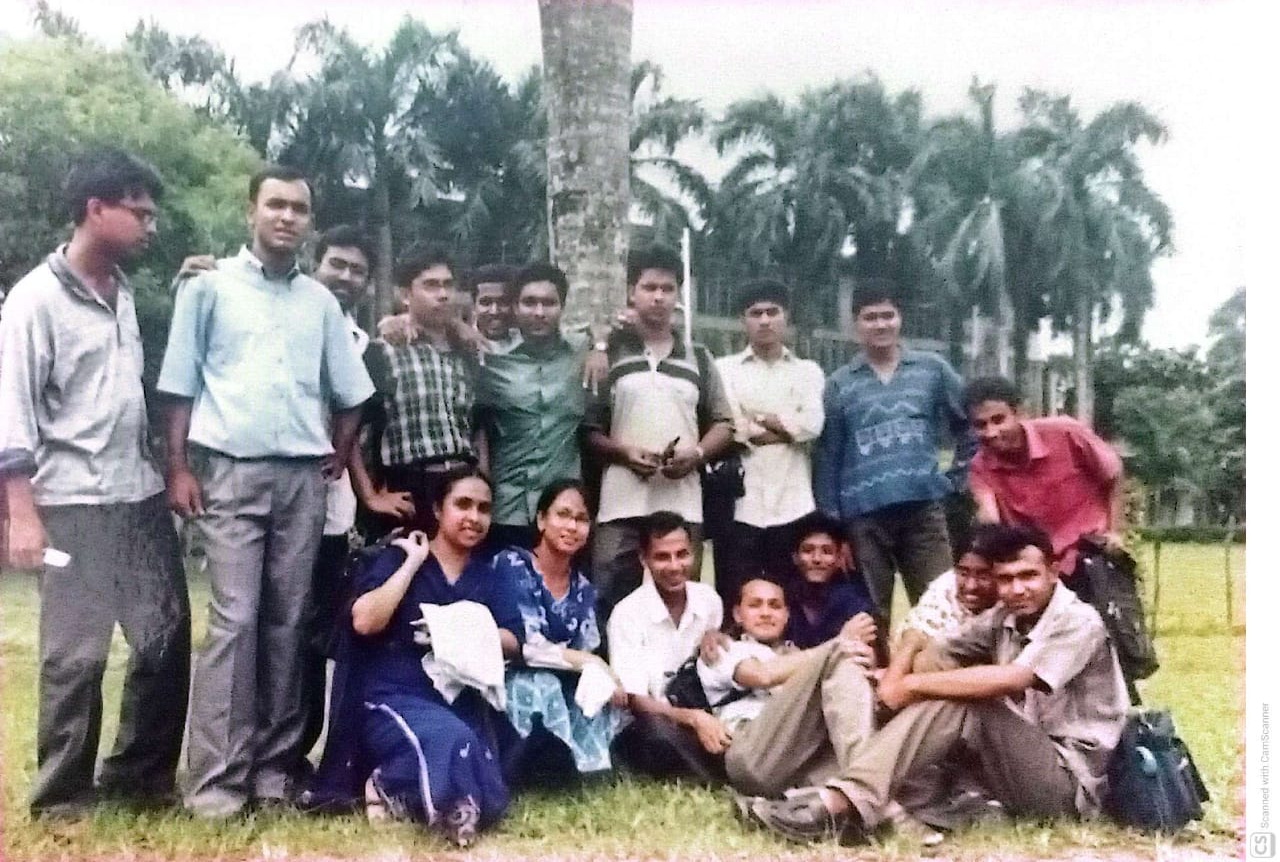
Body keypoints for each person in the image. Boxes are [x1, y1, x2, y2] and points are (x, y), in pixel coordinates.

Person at [158, 164, 375, 817]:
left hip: (302, 479)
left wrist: (335, 453)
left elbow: (352, 393)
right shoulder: (208, 287)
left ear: (308, 222)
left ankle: (273, 774)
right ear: (250, 211)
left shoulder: (320, 303)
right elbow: (178, 385)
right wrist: (178, 466)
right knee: (235, 620)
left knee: (288, 623)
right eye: (275, 205)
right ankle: (216, 784)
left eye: (298, 209)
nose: (286, 217)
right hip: (230, 471)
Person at [0, 149, 191, 819]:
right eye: (139, 213)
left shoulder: (123, 292)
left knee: (165, 637)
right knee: (75, 656)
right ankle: (61, 797)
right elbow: (12, 412)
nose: (150, 226)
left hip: (136, 493)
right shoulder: (34, 300)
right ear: (95, 208)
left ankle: (140, 779)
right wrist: (22, 515)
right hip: (71, 501)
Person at [746, 524, 1130, 845]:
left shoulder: (1078, 621)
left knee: (968, 701)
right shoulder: (1006, 615)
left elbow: (1012, 678)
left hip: (1066, 784)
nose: (1016, 589)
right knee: (939, 678)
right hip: (1007, 767)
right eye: (1006, 579)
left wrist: (911, 686)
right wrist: (892, 678)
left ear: (1053, 571)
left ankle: (839, 803)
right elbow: (937, 649)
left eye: (1028, 576)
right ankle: (867, 803)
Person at [309, 467, 522, 847]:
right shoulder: (400, 556)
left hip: (457, 700)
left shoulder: (488, 574)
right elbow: (365, 621)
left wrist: (457, 625)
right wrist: (412, 563)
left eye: (484, 508)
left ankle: (391, 788)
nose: (474, 517)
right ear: (438, 509)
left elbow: (512, 640)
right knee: (451, 742)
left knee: (490, 790)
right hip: (391, 697)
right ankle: (403, 794)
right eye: (463, 504)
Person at [296, 226, 415, 775]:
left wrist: (366, 492)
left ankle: (303, 748)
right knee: (275, 627)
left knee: (319, 630)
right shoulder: (289, 316)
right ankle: (265, 751)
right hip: (277, 491)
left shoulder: (364, 345)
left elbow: (358, 428)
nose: (345, 277)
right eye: (336, 264)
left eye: (356, 270)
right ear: (315, 263)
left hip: (334, 507)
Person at [813, 278, 974, 633]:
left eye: (888, 315)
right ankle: (879, 671)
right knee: (871, 613)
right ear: (855, 324)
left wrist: (955, 479)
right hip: (863, 516)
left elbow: (971, 423)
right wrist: (835, 526)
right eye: (870, 317)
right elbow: (828, 455)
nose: (880, 325)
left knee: (942, 606)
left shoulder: (932, 369)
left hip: (923, 508)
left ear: (901, 318)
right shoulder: (840, 383)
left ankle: (940, 670)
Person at [585, 246, 735, 617]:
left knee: (680, 605)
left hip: (682, 501)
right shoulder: (610, 354)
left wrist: (695, 455)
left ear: (678, 295)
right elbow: (588, 430)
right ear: (631, 293)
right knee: (607, 600)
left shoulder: (698, 356)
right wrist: (623, 452)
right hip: (620, 502)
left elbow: (724, 423)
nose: (658, 297)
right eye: (649, 287)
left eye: (667, 289)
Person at [496, 479, 625, 785]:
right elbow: (527, 647)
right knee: (543, 684)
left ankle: (578, 767)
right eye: (563, 515)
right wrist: (592, 662)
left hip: (563, 678)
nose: (572, 526)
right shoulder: (512, 565)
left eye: (581, 519)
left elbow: (585, 647)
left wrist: (596, 670)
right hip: (509, 675)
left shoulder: (583, 588)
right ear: (542, 520)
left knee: (596, 690)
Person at [713, 279, 825, 613]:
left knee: (792, 603)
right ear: (742, 320)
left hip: (794, 504)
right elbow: (734, 428)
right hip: (741, 507)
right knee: (735, 602)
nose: (764, 320)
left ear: (786, 317)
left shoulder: (808, 372)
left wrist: (759, 419)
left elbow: (812, 425)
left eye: (772, 312)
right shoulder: (724, 369)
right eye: (755, 313)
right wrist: (787, 427)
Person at [363, 246, 478, 538]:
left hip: (461, 483)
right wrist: (370, 495)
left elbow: (478, 427)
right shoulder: (384, 351)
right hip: (408, 487)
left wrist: (481, 481)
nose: (443, 294)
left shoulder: (466, 352)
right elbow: (353, 431)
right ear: (405, 295)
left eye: (448, 285)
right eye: (431, 285)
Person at [965, 375, 1128, 578]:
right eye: (981, 425)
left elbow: (1114, 474)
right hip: (1038, 567)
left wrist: (1115, 532)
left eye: (999, 420)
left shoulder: (1067, 432)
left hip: (1093, 554)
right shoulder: (980, 467)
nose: (991, 432)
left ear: (1019, 413)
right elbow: (990, 519)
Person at [475, 264, 588, 550]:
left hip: (563, 512)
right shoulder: (489, 360)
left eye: (549, 303)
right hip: (506, 506)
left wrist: (600, 347)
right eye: (529, 302)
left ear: (562, 307)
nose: (539, 312)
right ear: (514, 307)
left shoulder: (582, 353)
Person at [607, 511, 726, 782]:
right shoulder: (627, 614)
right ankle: (715, 774)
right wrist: (692, 718)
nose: (674, 566)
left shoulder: (708, 600)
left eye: (682, 554)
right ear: (644, 559)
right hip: (652, 718)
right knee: (658, 735)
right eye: (662, 557)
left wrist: (715, 636)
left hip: (700, 708)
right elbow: (636, 701)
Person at [783, 513, 877, 651]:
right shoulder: (782, 600)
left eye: (827, 551)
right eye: (808, 550)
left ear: (839, 559)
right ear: (795, 557)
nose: (817, 559)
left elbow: (870, 655)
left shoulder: (854, 603)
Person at [471, 263, 518, 344]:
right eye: (486, 302)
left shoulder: (527, 342)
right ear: (473, 305)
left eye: (503, 302)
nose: (494, 311)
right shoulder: (461, 344)